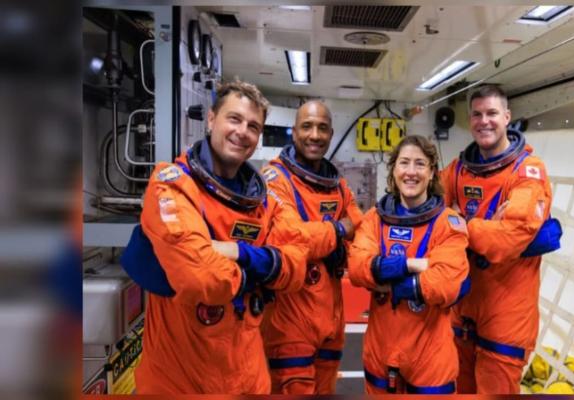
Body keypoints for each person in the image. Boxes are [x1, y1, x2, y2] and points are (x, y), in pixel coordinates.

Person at [123, 80, 309, 394]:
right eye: (234, 119)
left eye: (253, 126)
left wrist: (238, 252)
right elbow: (201, 278)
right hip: (180, 381)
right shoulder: (172, 185)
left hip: (248, 378)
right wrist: (263, 271)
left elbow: (297, 265)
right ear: (211, 119)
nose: (242, 132)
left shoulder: (264, 201)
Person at [439, 84, 554, 394]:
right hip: (462, 310)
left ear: (506, 117)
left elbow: (509, 239)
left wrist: (461, 224)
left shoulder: (528, 172)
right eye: (477, 114)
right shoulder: (456, 171)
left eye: (492, 113)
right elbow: (431, 221)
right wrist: (489, 227)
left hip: (506, 314)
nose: (484, 121)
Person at [348, 135, 470, 394]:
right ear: (394, 170)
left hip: (430, 354)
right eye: (404, 163)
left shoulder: (448, 223)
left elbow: (445, 284)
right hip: (381, 349)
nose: (411, 172)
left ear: (432, 172)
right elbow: (358, 268)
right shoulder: (374, 219)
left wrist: (387, 282)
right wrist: (413, 265)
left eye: (420, 164)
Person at [260, 100, 364, 394]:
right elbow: (291, 238)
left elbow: (361, 226)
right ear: (294, 132)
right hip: (289, 321)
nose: (315, 135)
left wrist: (334, 242)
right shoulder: (275, 179)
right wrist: (339, 230)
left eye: (322, 128)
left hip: (331, 318)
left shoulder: (337, 184)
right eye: (307, 127)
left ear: (331, 134)